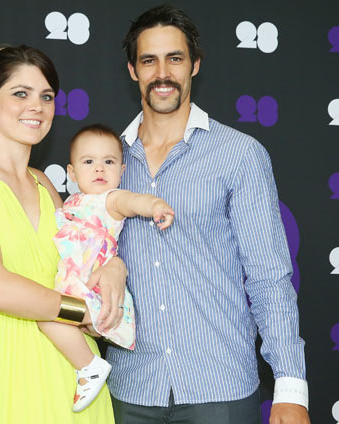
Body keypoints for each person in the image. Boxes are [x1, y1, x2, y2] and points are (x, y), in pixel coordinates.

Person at [105, 5, 310, 424]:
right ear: (133, 70)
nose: (162, 72)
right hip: (130, 387)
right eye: (149, 60)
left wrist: (291, 388)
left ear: (194, 65)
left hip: (219, 388)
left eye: (175, 58)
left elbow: (269, 277)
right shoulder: (107, 162)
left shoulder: (239, 155)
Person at [0, 45, 123, 423]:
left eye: (46, 96)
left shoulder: (43, 184)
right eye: (20, 93)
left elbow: (81, 253)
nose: (36, 106)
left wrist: (115, 266)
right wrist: (82, 310)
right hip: (10, 367)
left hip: (78, 375)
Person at [37, 123, 174, 412]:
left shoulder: (109, 201)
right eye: (89, 162)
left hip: (95, 297)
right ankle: (87, 364)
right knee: (48, 314)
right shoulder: (71, 204)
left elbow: (132, 201)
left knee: (47, 315)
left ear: (121, 171)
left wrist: (155, 205)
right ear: (72, 173)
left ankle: (89, 366)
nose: (99, 169)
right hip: (77, 291)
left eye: (108, 162)